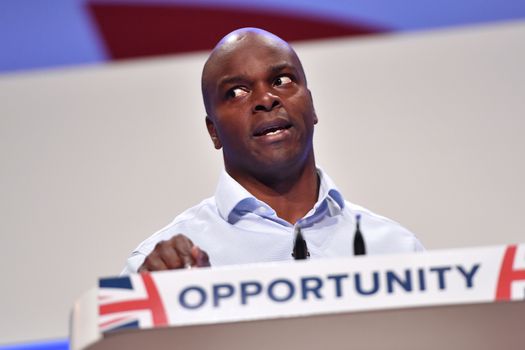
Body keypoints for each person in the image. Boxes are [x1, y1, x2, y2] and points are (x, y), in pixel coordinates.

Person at [122, 28, 423, 274]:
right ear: (213, 131)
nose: (266, 99)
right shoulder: (158, 266)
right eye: (236, 92)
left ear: (312, 105)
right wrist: (156, 308)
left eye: (282, 80)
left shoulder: (396, 248)